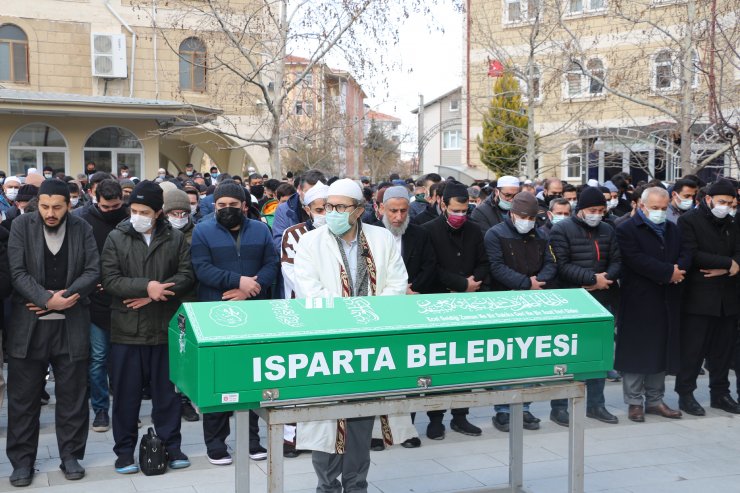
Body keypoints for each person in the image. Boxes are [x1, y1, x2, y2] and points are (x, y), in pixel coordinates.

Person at [293, 178, 408, 493]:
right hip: (328, 343)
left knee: (360, 417)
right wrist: (347, 317)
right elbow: (308, 292)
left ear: (359, 210)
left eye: (340, 207)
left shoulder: (382, 239)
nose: (332, 212)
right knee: (326, 419)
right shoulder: (310, 243)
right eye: (329, 206)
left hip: (369, 344)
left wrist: (368, 319)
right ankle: (327, 486)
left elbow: (396, 285)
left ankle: (357, 485)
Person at [6, 179, 100, 486]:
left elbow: (92, 270)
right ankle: (22, 462)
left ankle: (70, 455)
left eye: (57, 207)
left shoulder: (82, 228)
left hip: (71, 323)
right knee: (24, 398)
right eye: (44, 206)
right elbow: (17, 272)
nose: (50, 213)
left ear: (68, 205)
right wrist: (47, 300)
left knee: (72, 395)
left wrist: (64, 297)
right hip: (28, 326)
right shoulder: (21, 226)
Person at [101, 181, 195, 474]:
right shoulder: (117, 237)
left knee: (167, 395)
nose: (137, 215)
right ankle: (124, 451)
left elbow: (187, 275)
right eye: (134, 210)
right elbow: (110, 279)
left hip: (164, 327)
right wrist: (146, 287)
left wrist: (156, 293)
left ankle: (171, 444)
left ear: (158, 212)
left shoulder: (175, 238)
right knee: (126, 396)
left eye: (144, 211)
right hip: (127, 329)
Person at [191, 181, 279, 465]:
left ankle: (252, 439)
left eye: (232, 205)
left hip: (254, 312)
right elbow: (201, 268)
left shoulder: (261, 229)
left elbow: (272, 264)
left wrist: (250, 288)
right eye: (221, 206)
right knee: (218, 378)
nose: (227, 210)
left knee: (252, 377)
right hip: (216, 313)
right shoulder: (202, 231)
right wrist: (235, 281)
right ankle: (215, 443)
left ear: (244, 205)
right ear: (214, 206)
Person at [615, 187, 688, 422]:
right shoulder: (627, 228)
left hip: (666, 298)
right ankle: (634, 402)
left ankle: (655, 399)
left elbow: (685, 253)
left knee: (660, 350)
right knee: (636, 352)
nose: (659, 213)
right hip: (639, 298)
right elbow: (635, 259)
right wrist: (668, 272)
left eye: (664, 209)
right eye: (655, 208)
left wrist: (678, 270)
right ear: (642, 206)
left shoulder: (672, 229)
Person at [421, 182, 488, 439]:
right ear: (443, 205)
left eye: (465, 211)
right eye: (456, 211)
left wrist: (472, 285)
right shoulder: (428, 230)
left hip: (469, 303)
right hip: (439, 303)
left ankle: (461, 416)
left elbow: (484, 262)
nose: (460, 216)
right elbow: (431, 267)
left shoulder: (475, 230)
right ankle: (435, 418)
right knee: (438, 364)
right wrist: (460, 284)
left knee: (465, 363)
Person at [549, 186, 621, 426]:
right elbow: (562, 265)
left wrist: (605, 280)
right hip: (573, 301)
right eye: (592, 210)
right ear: (580, 210)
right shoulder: (561, 229)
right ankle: (559, 407)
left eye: (601, 210)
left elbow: (617, 260)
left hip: (601, 300)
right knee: (566, 356)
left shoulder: (608, 229)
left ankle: (596, 405)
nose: (597, 214)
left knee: (598, 354)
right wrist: (592, 279)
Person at [485, 192, 556, 432]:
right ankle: (504, 411)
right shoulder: (495, 234)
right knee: (506, 358)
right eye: (523, 216)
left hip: (534, 303)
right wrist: (526, 283)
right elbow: (496, 267)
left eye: (532, 217)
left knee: (531, 356)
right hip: (505, 303)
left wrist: (539, 283)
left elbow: (551, 262)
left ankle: (525, 408)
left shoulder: (541, 234)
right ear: (512, 214)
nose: (528, 221)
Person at [674, 179, 740, 416]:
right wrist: (728, 263)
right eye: (722, 202)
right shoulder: (689, 221)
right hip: (699, 298)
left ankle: (720, 393)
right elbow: (692, 254)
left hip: (728, 298)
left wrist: (732, 266)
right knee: (693, 350)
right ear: (709, 199)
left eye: (730, 203)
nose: (726, 206)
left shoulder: (732, 222)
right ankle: (686, 394)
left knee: (722, 351)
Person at [74, 179, 129, 434]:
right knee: (97, 359)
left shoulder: (130, 219)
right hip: (95, 302)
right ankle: (101, 411)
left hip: (125, 300)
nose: (109, 211)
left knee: (123, 361)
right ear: (96, 199)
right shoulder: (84, 220)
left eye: (115, 206)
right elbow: (82, 258)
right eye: (105, 207)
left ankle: (125, 408)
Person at [272, 169, 326, 251]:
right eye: (310, 192)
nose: (313, 197)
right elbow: (280, 243)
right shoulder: (284, 210)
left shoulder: (331, 209)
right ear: (299, 189)